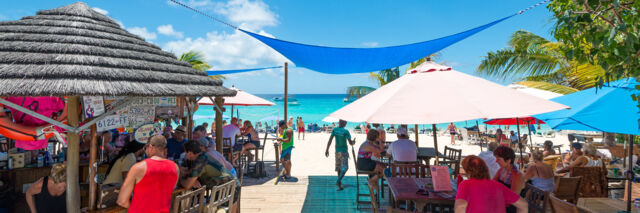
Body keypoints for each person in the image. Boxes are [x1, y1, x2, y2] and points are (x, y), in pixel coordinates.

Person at [117, 135, 179, 212]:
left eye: (145, 148)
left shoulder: (138, 167)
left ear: (150, 147)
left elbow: (122, 201)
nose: (145, 151)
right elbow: (169, 190)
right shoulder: (175, 167)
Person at [455, 156, 528, 213]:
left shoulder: (465, 184)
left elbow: (460, 207)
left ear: (469, 172)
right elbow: (523, 205)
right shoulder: (498, 185)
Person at [325, 119, 355, 190]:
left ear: (339, 122)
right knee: (345, 167)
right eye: (346, 123)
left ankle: (339, 185)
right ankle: (338, 181)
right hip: (344, 151)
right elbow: (351, 143)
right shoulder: (346, 131)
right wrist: (353, 142)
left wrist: (327, 149)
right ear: (344, 123)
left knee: (338, 167)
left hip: (337, 151)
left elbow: (330, 140)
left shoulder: (335, 130)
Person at [493, 146, 523, 213]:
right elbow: (492, 184)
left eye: (498, 159)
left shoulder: (516, 175)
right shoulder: (502, 170)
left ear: (508, 160)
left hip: (511, 208)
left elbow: (512, 198)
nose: (496, 161)